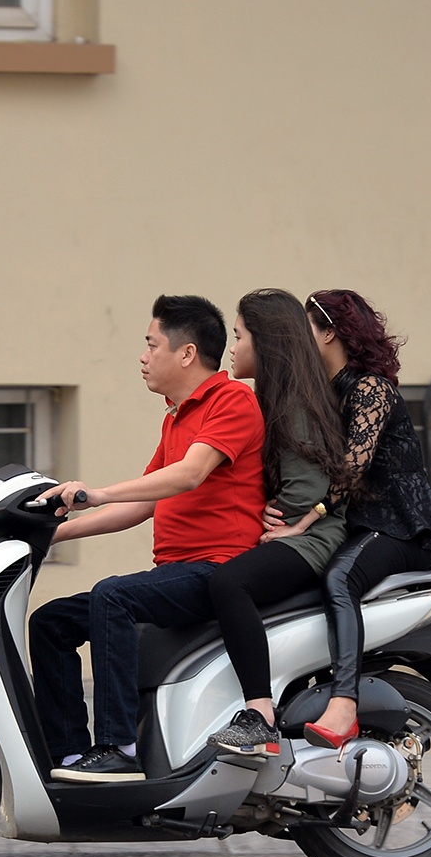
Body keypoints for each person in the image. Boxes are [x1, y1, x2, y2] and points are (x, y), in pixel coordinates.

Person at [29, 294, 265, 783]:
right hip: (175, 572)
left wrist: (94, 493)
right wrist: (50, 534)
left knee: (112, 596)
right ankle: (70, 757)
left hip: (215, 570)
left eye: (151, 344)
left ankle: (119, 748)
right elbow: (141, 506)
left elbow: (189, 475)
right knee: (50, 622)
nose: (142, 355)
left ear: (186, 353)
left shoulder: (232, 401)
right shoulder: (176, 415)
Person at [277, 289, 431, 750]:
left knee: (340, 579)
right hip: (365, 526)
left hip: (399, 525)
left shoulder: (369, 388)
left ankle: (345, 703)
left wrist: (306, 519)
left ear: (329, 333)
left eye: (306, 329)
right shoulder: (328, 392)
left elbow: (355, 464)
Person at [202, 290, 353, 757]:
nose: (232, 347)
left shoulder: (294, 406)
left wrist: (283, 518)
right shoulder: (271, 399)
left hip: (315, 538)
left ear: (265, 344)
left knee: (230, 583)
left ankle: (259, 714)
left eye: (238, 335)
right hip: (299, 530)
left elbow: (309, 489)